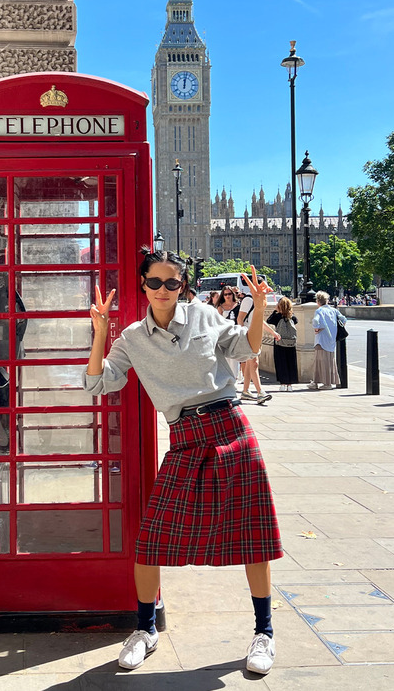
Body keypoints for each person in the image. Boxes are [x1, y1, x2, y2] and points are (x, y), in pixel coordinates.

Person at [83, 249, 283, 675]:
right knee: (152, 539)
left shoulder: (204, 317)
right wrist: (100, 330)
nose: (161, 290)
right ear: (142, 284)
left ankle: (264, 633)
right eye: (153, 282)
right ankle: (144, 629)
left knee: (253, 534)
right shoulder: (132, 338)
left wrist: (259, 306)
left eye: (171, 283)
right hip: (185, 437)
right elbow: (98, 384)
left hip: (229, 426)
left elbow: (246, 349)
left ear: (183, 286)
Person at [237, 284, 280, 404]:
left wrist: (273, 333)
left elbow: (259, 321)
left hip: (256, 335)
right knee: (254, 363)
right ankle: (260, 392)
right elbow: (240, 319)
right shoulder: (248, 300)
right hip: (248, 336)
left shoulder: (259, 300)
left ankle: (245, 391)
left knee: (252, 363)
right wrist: (243, 335)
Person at [308, 291, 347, 390]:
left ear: (318, 301)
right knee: (329, 361)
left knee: (319, 361)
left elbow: (316, 321)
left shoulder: (319, 311)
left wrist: (316, 328)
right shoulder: (334, 310)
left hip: (321, 339)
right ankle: (320, 382)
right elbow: (343, 319)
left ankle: (325, 383)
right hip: (331, 339)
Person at [267, 297, 298, 391]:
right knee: (291, 363)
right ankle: (290, 385)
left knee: (281, 363)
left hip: (280, 342)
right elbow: (296, 321)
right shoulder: (292, 316)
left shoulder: (277, 316)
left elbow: (268, 321)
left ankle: (283, 384)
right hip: (291, 343)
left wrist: (275, 310)